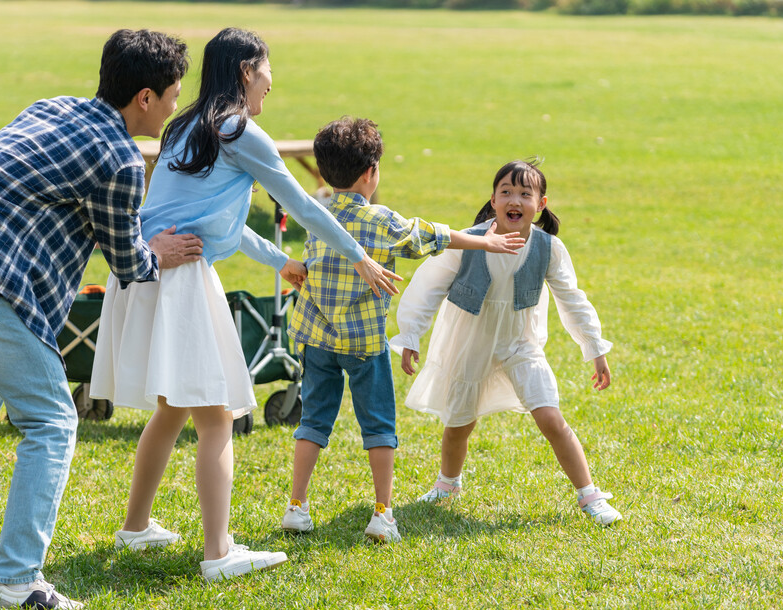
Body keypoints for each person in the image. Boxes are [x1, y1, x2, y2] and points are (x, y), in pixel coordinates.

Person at [0, 29, 201, 610]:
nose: (177, 107)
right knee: (51, 420)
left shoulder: (53, 106)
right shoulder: (121, 158)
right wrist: (162, 253)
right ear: (146, 98)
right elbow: (128, 262)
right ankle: (16, 580)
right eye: (175, 95)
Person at [90, 29, 402, 581]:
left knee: (174, 408)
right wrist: (357, 255)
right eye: (265, 75)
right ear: (244, 72)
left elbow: (214, 222)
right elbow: (302, 202)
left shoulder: (189, 124)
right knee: (217, 415)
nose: (268, 87)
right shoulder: (237, 128)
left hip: (150, 271)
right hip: (180, 278)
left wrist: (276, 261)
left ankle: (136, 526)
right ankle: (219, 553)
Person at [279, 117, 526, 543]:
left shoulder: (314, 213)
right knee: (378, 425)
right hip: (364, 344)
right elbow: (430, 235)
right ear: (370, 173)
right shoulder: (381, 220)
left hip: (315, 338)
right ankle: (381, 513)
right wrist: (486, 241)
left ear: (323, 171)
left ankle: (296, 507)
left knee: (314, 422)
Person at [390, 159, 622, 526]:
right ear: (494, 201)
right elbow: (427, 285)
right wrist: (410, 335)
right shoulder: (468, 241)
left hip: (520, 343)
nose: (515, 200)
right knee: (459, 424)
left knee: (550, 417)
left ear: (540, 204)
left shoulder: (549, 249)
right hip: (470, 342)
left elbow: (572, 299)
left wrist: (595, 349)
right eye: (506, 192)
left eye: (525, 194)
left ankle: (589, 494)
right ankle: (447, 484)